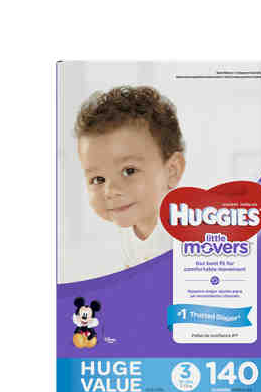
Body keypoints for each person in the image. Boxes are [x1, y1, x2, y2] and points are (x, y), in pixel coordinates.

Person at [75, 86, 186, 268]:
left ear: (171, 171)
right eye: (98, 179)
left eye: (129, 171)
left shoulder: (185, 232)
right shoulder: (124, 231)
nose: (111, 191)